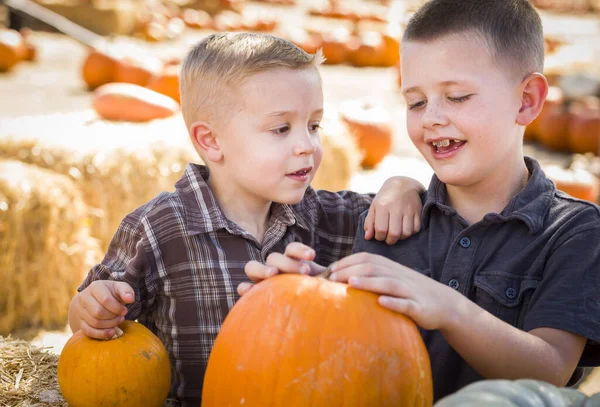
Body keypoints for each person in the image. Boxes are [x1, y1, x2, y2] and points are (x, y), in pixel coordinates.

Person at [241, 0, 600, 402]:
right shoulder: (390, 222)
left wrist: (446, 307)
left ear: (527, 100)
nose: (431, 117)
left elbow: (550, 370)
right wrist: (305, 298)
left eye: (458, 96)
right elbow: (361, 348)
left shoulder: (575, 231)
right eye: (415, 102)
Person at [66, 32, 426, 406]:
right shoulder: (159, 228)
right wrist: (95, 309)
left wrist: (402, 185)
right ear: (211, 141)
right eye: (281, 129)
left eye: (314, 125)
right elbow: (87, 317)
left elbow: (405, 209)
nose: (307, 145)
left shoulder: (320, 215)